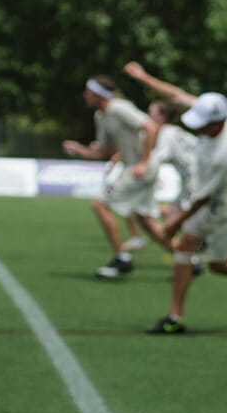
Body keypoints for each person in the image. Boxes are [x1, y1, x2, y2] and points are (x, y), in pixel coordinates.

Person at [123, 61, 227, 334]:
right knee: (186, 246)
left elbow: (203, 197)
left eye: (202, 126)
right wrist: (144, 77)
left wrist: (174, 223)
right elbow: (176, 95)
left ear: (217, 124)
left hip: (225, 206)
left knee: (217, 266)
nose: (196, 129)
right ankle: (175, 317)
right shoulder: (224, 113)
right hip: (205, 200)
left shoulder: (223, 152)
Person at [62, 75, 160, 278]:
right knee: (146, 221)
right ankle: (186, 257)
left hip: (140, 168)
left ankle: (122, 258)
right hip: (134, 167)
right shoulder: (101, 116)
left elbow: (151, 127)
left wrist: (142, 162)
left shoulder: (118, 108)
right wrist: (80, 150)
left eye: (88, 92)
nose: (84, 96)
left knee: (99, 204)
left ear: (98, 94)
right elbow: (105, 151)